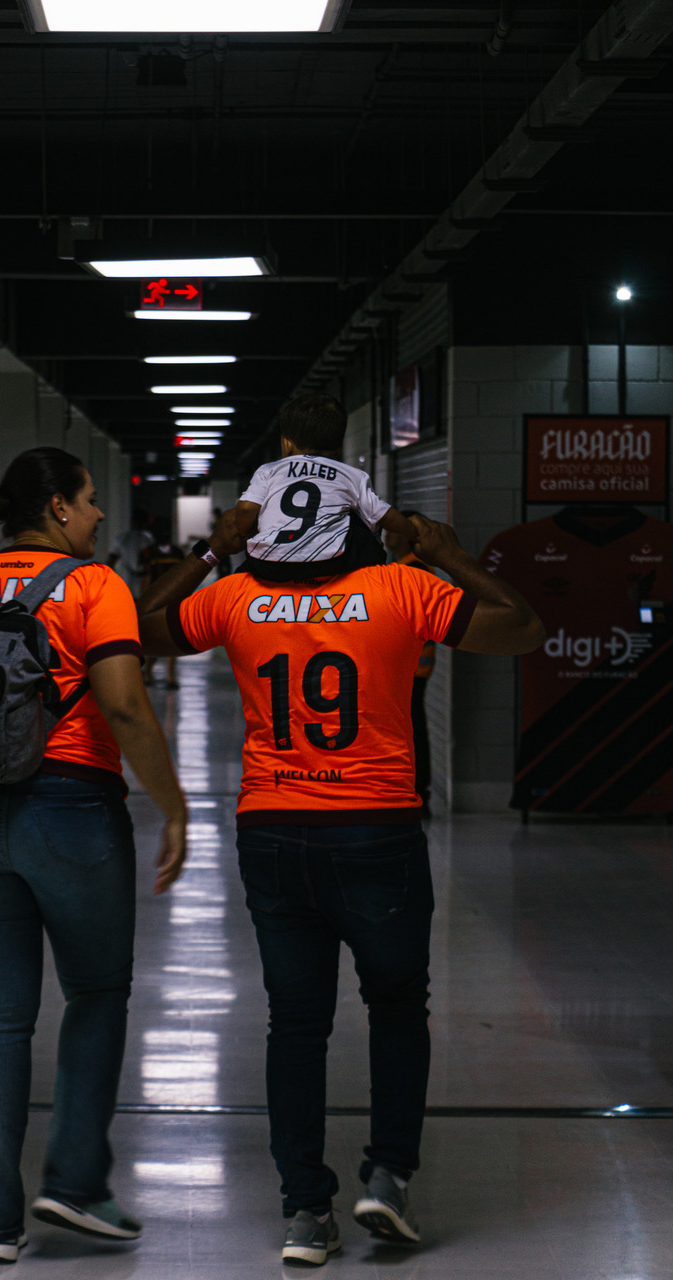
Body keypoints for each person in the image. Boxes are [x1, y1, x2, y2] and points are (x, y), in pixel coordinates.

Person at [135, 509, 544, 1265]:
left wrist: (209, 552)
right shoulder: (401, 588)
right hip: (375, 830)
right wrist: (452, 554)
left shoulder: (236, 595)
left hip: (273, 832)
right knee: (397, 1005)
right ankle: (388, 1177)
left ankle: (305, 1212)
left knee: (295, 1024)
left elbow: (138, 629)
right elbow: (522, 627)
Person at [0, 447, 188, 1265]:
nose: (99, 514)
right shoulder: (96, 586)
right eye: (90, 500)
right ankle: (76, 1182)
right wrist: (174, 808)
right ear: (58, 507)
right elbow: (124, 705)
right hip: (68, 811)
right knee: (95, 992)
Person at [234, 393, 418, 582]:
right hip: (329, 562)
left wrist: (248, 530)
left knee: (248, 561)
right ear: (339, 447)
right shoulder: (352, 475)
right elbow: (383, 515)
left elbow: (246, 509)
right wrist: (414, 532)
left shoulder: (268, 471)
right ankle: (368, 580)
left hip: (270, 564)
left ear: (287, 444)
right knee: (361, 518)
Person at [385, 511, 439, 813]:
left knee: (413, 728)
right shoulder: (403, 567)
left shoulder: (414, 569)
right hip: (410, 666)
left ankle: (419, 791)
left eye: (392, 531)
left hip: (414, 666)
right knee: (410, 726)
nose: (386, 537)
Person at [140, 521, 185, 689]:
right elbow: (146, 577)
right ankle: (150, 673)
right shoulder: (148, 553)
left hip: (173, 600)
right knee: (154, 637)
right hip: (156, 600)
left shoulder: (176, 553)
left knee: (171, 637)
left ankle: (168, 676)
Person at [107, 507, 154, 598]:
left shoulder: (122, 538)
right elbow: (148, 561)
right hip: (138, 579)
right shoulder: (147, 539)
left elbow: (111, 559)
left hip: (126, 578)